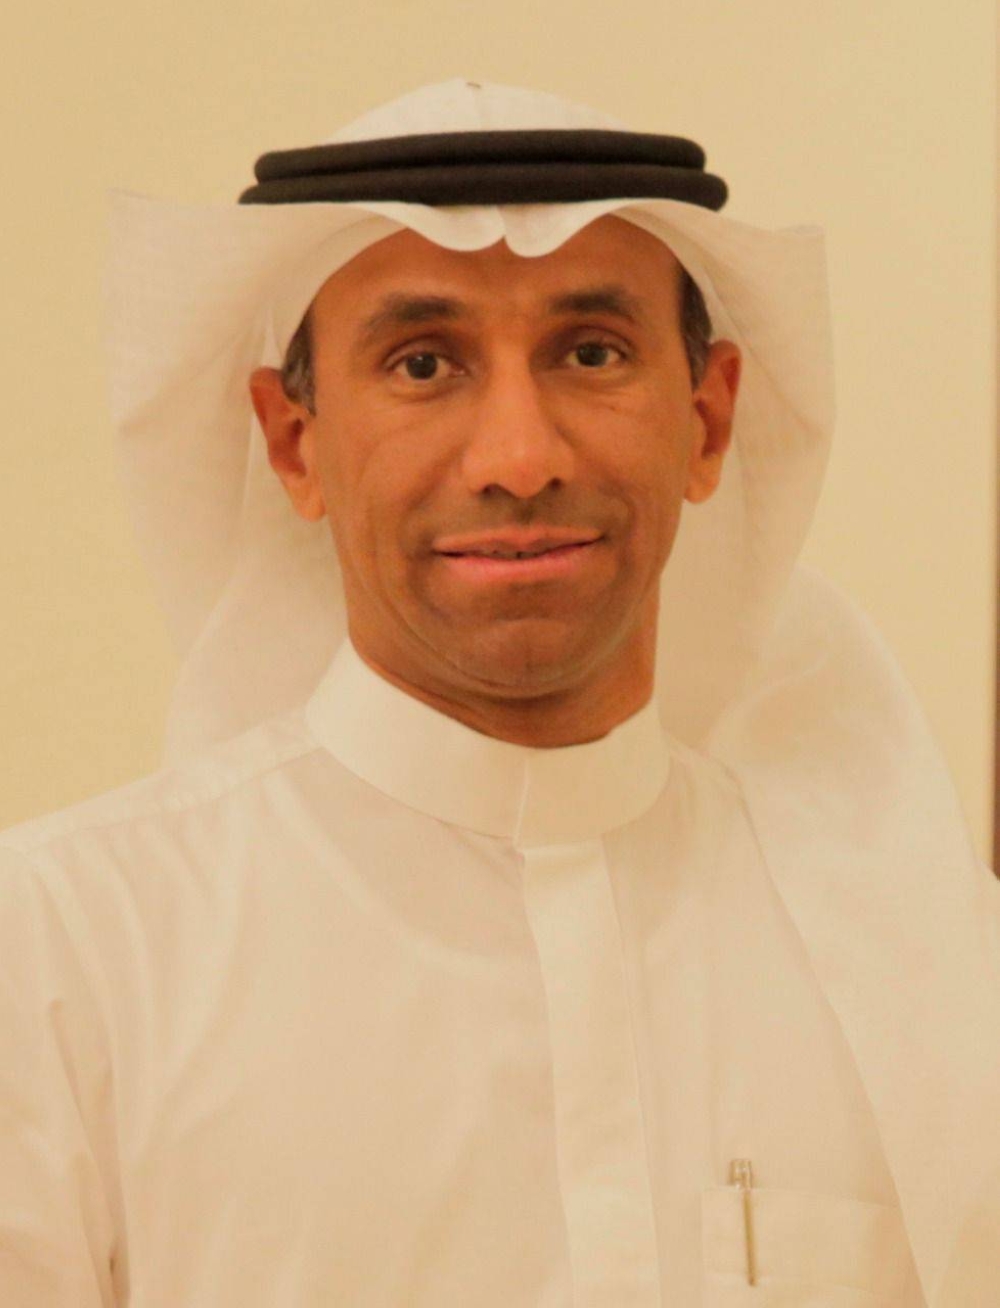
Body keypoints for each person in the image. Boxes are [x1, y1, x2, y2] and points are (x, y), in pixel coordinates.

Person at [2, 78, 998, 1308]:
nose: (520, 459)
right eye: (424, 364)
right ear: (294, 442)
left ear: (707, 419)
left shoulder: (923, 968)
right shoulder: (62, 954)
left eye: (591, 354)